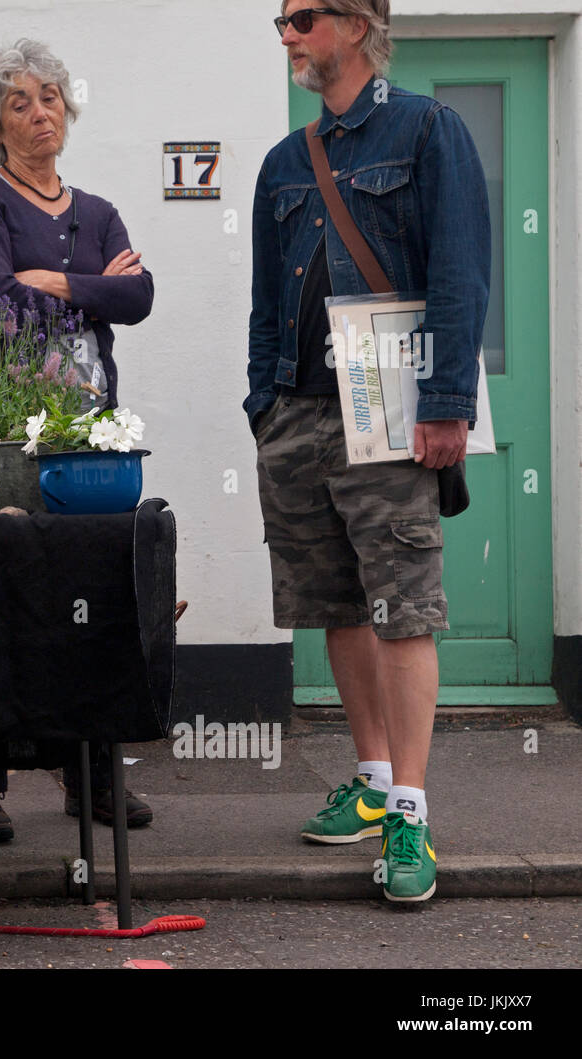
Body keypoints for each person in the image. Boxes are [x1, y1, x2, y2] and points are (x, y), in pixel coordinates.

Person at [248, 0, 489, 901]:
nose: (288, 35)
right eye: (279, 21)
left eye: (303, 17)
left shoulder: (429, 129)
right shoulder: (283, 162)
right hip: (299, 412)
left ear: (358, 23)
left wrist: (447, 403)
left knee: (404, 606)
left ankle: (413, 820)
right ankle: (376, 781)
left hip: (392, 415)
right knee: (339, 604)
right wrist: (261, 407)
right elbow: (266, 298)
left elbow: (461, 270)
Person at [0, 38, 155, 843]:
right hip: (2, 424)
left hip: (90, 427)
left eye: (52, 98)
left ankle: (89, 772)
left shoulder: (96, 211)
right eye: (22, 102)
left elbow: (137, 298)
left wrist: (60, 282)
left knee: (91, 596)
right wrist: (93, 289)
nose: (41, 113)